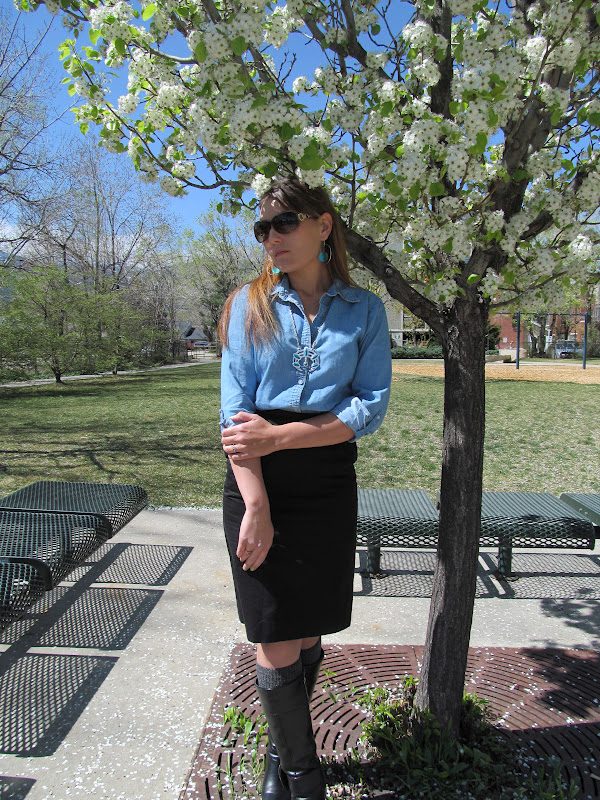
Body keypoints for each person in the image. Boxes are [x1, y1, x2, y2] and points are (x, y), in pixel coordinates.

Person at [218, 176, 392, 800]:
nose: (272, 237)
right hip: (257, 482)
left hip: (325, 479)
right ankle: (302, 775)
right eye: (263, 228)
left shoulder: (364, 309)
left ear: (323, 225)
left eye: (285, 223)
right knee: (274, 630)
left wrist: (281, 437)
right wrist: (257, 504)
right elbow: (235, 419)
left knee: (309, 626)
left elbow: (369, 405)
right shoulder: (249, 305)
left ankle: (279, 749)